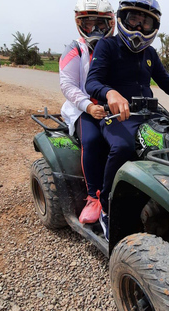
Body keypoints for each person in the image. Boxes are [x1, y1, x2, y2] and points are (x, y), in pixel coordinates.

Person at [85, 0, 169, 241]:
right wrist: (110, 93)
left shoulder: (150, 54)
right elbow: (92, 82)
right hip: (117, 116)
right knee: (124, 147)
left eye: (146, 21)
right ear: (122, 18)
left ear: (154, 26)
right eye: (134, 19)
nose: (139, 26)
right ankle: (106, 206)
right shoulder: (108, 46)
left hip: (150, 113)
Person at [60, 0, 115, 224]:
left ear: (110, 23)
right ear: (80, 24)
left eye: (99, 25)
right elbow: (68, 85)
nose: (94, 30)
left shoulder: (118, 47)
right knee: (92, 141)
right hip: (84, 108)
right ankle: (94, 197)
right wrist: (89, 106)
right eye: (88, 24)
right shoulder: (75, 48)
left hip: (113, 107)